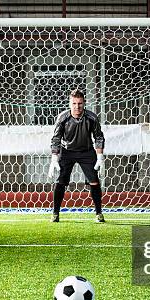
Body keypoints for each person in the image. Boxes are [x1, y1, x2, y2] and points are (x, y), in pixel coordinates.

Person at [48, 89, 105, 223]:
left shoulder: (91, 117)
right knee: (60, 181)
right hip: (67, 152)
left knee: (94, 181)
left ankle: (99, 213)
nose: (77, 106)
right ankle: (55, 213)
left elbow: (98, 137)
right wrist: (54, 158)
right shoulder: (63, 118)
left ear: (84, 103)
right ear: (69, 104)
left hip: (87, 152)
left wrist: (100, 156)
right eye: (74, 103)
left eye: (79, 103)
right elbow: (56, 138)